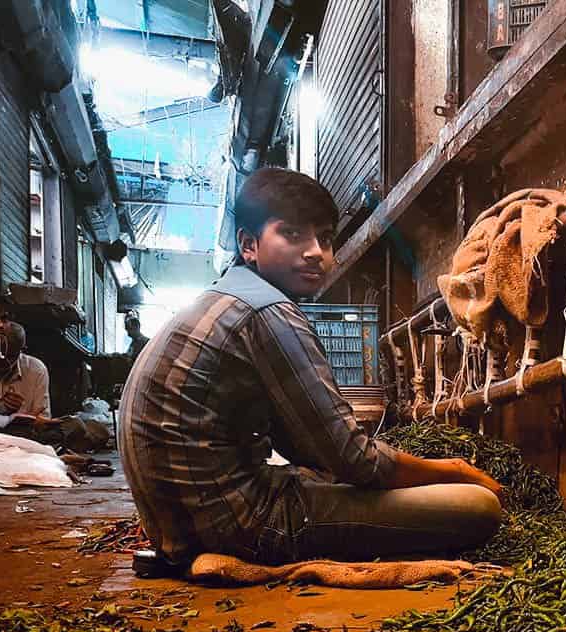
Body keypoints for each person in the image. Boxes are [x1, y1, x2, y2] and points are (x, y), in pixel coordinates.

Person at [117, 167, 503, 567]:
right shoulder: (269, 312)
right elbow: (354, 459)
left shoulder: (229, 298)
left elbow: (305, 446)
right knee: (476, 507)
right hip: (238, 525)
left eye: (325, 239)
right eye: (293, 234)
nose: (316, 252)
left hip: (183, 523)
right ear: (249, 245)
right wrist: (455, 469)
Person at [0, 318, 51, 428]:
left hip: (21, 436)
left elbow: (42, 419)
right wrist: (2, 410)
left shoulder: (36, 370)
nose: (3, 363)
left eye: (11, 357)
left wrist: (19, 416)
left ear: (22, 350)